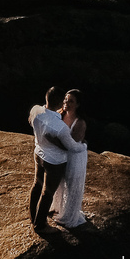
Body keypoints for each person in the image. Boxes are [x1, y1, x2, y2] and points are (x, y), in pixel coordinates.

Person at [28, 86, 86, 234]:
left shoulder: (35, 110)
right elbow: (72, 147)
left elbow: (30, 122)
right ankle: (40, 225)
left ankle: (33, 216)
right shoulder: (60, 127)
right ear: (61, 103)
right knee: (47, 192)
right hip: (54, 162)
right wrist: (83, 146)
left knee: (36, 185)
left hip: (38, 153)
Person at [51, 89, 87, 228]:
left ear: (78, 105)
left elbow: (71, 144)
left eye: (71, 101)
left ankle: (69, 215)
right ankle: (58, 208)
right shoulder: (59, 114)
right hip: (60, 155)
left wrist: (52, 141)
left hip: (75, 156)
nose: (66, 102)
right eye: (66, 99)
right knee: (59, 182)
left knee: (72, 186)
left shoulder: (80, 123)